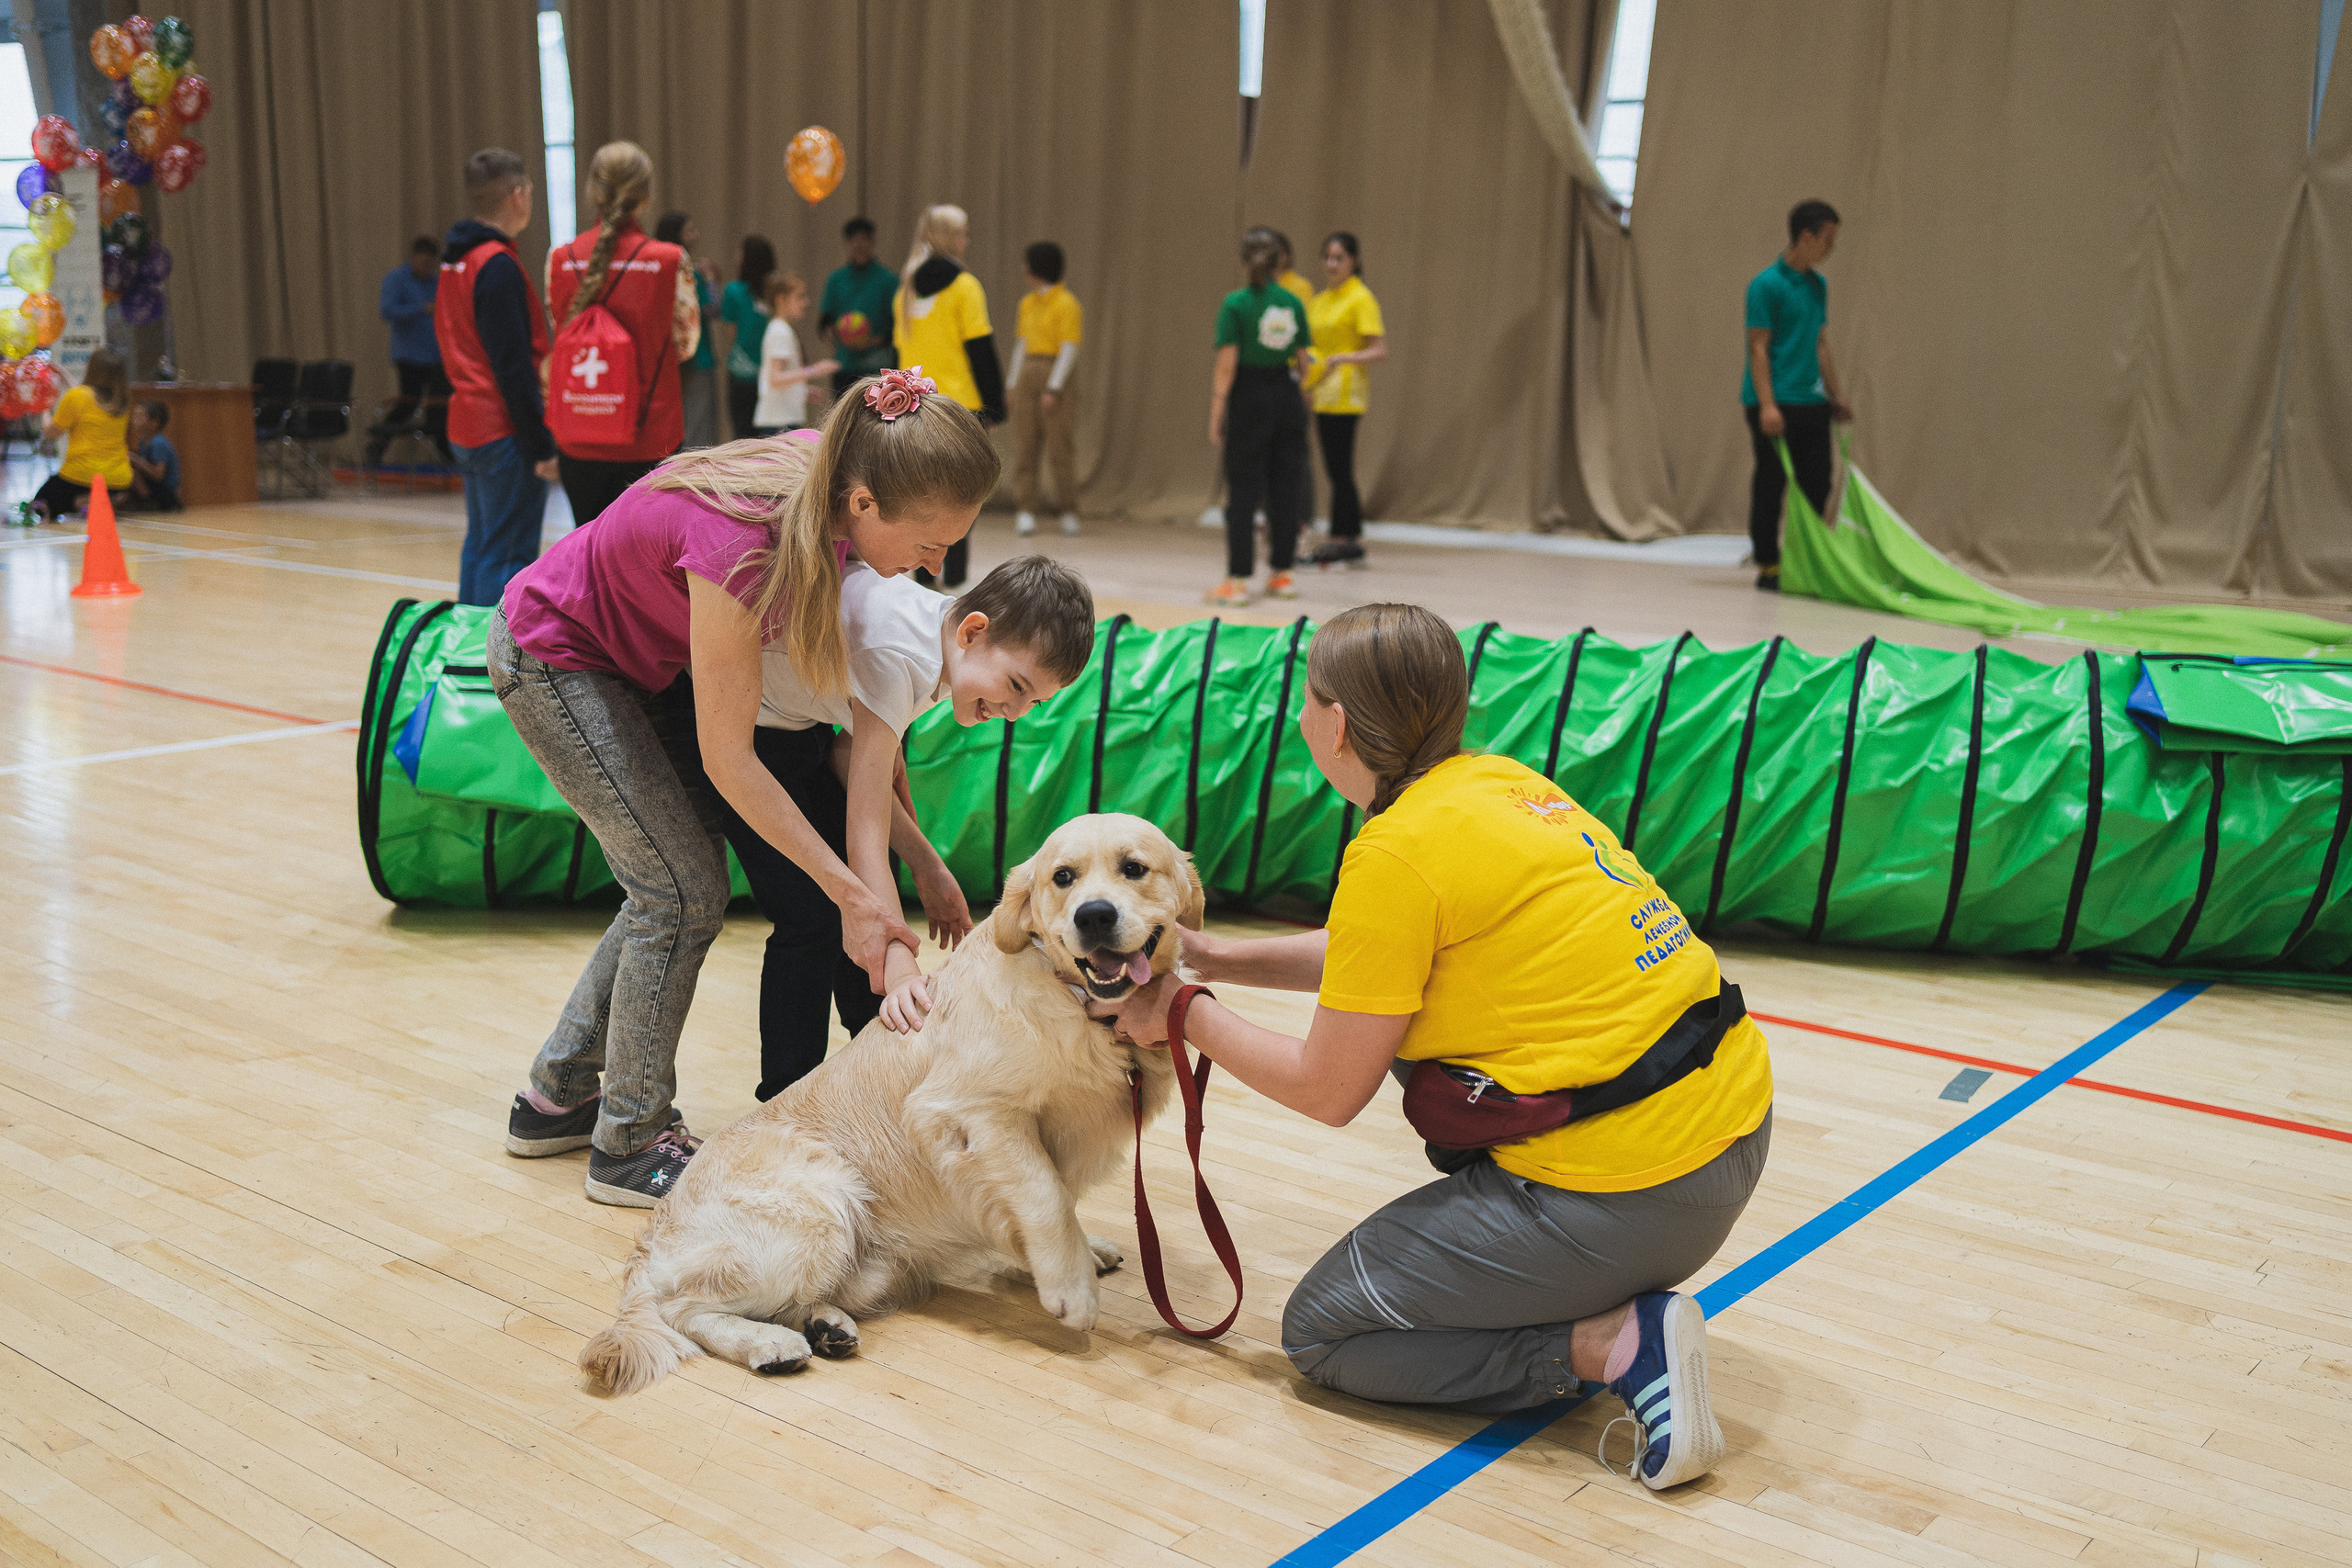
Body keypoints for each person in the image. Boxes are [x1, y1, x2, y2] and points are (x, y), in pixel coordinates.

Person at [1114, 603, 1772, 1491]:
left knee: (1324, 1332)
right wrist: (1219, 956)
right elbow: (1376, 952)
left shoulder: (1394, 851)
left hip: (1632, 1189)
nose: (1302, 718)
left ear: (1336, 724)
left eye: (1307, 701)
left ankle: (1613, 1343)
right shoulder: (1500, 784)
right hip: (1731, 1130)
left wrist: (1184, 1011)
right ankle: (1595, 1304)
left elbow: (1327, 1089)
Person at [492, 366, 1000, 1206]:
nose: (936, 565)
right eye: (930, 545)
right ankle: (628, 1140)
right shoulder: (746, 544)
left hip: (637, 670)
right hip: (555, 657)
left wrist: (894, 873)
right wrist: (847, 891)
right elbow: (731, 760)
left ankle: (560, 1092)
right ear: (866, 505)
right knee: (680, 886)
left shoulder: (835, 478)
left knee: (670, 879)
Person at [725, 553, 1097, 1100]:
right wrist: (897, 960)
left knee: (863, 893)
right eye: (1016, 685)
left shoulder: (941, 643)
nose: (1016, 712)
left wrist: (929, 868)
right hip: (739, 731)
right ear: (974, 632)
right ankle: (784, 1098)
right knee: (810, 916)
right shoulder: (899, 654)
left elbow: (849, 762)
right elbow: (865, 822)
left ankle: (874, 1064)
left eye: (1034, 701)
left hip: (797, 729)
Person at [544, 141, 701, 527]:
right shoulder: (669, 260)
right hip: (650, 437)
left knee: (587, 563)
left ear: (593, 191)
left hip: (580, 436)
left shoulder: (560, 259)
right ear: (645, 197)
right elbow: (686, 345)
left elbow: (560, 335)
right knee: (645, 569)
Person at [437, 147, 559, 608]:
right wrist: (541, 443)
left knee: (481, 547)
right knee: (507, 555)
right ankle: (488, 669)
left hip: (467, 424)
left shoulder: (457, 261)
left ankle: (465, 657)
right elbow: (513, 367)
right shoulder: (497, 266)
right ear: (517, 195)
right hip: (501, 429)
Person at [893, 203, 1005, 589]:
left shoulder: (904, 291)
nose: (967, 240)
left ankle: (921, 576)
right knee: (962, 497)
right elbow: (981, 350)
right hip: (960, 408)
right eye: (963, 232)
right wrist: (995, 405)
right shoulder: (965, 287)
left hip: (914, 406)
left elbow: (898, 356)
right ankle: (954, 580)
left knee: (919, 495)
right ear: (948, 237)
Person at [1743, 199, 1851, 592]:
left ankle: (1804, 558)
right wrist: (1768, 405)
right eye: (1828, 239)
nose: (1831, 248)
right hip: (1774, 400)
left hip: (1811, 401)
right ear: (1806, 236)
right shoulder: (1765, 285)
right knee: (1771, 483)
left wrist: (1835, 395)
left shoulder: (1817, 286)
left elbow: (1820, 345)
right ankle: (1768, 564)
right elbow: (1758, 347)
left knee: (1817, 482)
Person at [1204, 227, 1308, 608]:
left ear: (1244, 261)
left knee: (1244, 490)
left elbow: (1226, 367)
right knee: (1286, 486)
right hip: (1286, 396)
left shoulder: (1236, 304)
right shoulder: (1293, 303)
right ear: (1280, 260)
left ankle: (1238, 580)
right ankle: (1283, 574)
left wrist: (1217, 410)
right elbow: (1304, 362)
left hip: (1249, 399)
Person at [1304, 231, 1385, 569]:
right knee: (1334, 466)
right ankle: (1346, 534)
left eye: (1339, 258)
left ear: (1354, 261)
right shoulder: (1321, 300)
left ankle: (1343, 537)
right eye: (1327, 257)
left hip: (1346, 392)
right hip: (1321, 389)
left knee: (1340, 466)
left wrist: (1342, 358)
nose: (1332, 264)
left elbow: (1379, 350)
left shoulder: (1360, 298)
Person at [1007, 241, 1082, 538]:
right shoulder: (1026, 303)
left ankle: (1068, 510)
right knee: (1025, 444)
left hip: (1055, 371)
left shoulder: (1068, 303)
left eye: (1028, 262)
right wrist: (1013, 382)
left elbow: (1069, 348)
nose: (1023, 268)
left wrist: (1054, 387)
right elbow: (1022, 344)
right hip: (1029, 369)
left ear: (1040, 266)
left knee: (1060, 446)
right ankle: (1025, 510)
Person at [365, 235, 453, 466]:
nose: (427, 269)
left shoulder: (436, 281)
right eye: (423, 263)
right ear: (413, 258)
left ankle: (445, 454)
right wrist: (420, 308)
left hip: (435, 355)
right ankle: (377, 445)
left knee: (439, 406)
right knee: (407, 404)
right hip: (409, 355)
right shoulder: (397, 279)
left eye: (430, 264)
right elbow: (387, 311)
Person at [31, 347, 131, 520]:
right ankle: (105, 498)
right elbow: (88, 400)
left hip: (82, 475)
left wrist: (44, 407)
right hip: (119, 478)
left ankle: (82, 503)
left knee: (40, 503)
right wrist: (64, 375)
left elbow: (50, 433)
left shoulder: (77, 396)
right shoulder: (122, 401)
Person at [656, 212, 722, 449]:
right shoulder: (689, 273)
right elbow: (711, 310)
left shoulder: (657, 270)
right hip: (698, 359)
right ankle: (695, 485)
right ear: (677, 236)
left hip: (666, 361)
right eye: (689, 231)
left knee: (678, 428)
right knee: (700, 430)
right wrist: (711, 280)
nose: (695, 236)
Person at [752, 271, 838, 436]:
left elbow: (779, 379)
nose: (806, 302)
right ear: (781, 300)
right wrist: (815, 370)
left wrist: (801, 390)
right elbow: (775, 379)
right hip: (779, 422)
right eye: (800, 297)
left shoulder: (780, 328)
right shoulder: (780, 331)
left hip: (780, 419)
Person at [820, 216, 897, 396]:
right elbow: (825, 321)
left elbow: (899, 326)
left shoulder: (888, 281)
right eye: (854, 239)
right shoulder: (836, 280)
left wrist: (872, 341)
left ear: (872, 241)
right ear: (847, 242)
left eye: (864, 238)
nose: (859, 244)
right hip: (845, 365)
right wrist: (833, 334)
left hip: (878, 366)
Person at [720, 235, 777, 439]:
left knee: (743, 437)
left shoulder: (733, 291)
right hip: (772, 374)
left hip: (742, 374)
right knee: (772, 438)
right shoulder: (776, 291)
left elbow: (731, 333)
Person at [123, 400, 180, 513]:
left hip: (165, 491)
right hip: (154, 486)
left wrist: (136, 460)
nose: (134, 420)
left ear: (154, 423)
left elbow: (159, 474)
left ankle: (148, 501)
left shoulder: (158, 443)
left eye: (139, 417)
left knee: (132, 471)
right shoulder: (143, 441)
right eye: (134, 416)